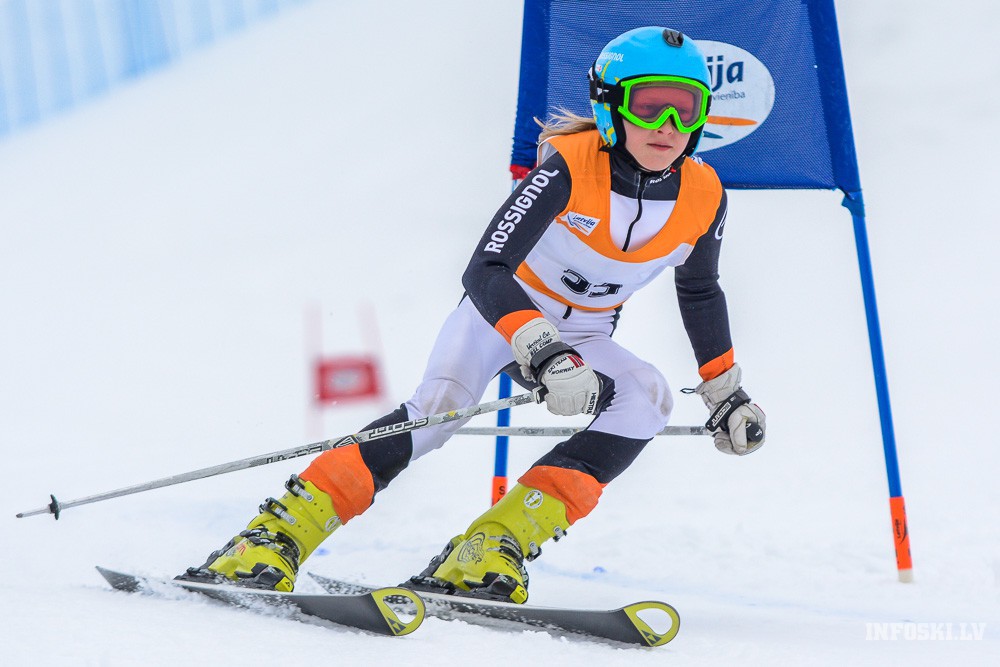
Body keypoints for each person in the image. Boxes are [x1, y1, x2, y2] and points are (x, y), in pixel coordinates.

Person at [185, 26, 766, 602]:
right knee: (437, 414)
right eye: (649, 106)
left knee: (647, 397)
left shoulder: (704, 193)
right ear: (611, 108)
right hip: (500, 316)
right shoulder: (569, 167)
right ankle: (274, 537)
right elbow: (485, 270)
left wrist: (724, 389)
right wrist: (543, 348)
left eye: (687, 108)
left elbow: (699, 291)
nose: (669, 126)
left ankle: (491, 547)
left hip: (585, 333)